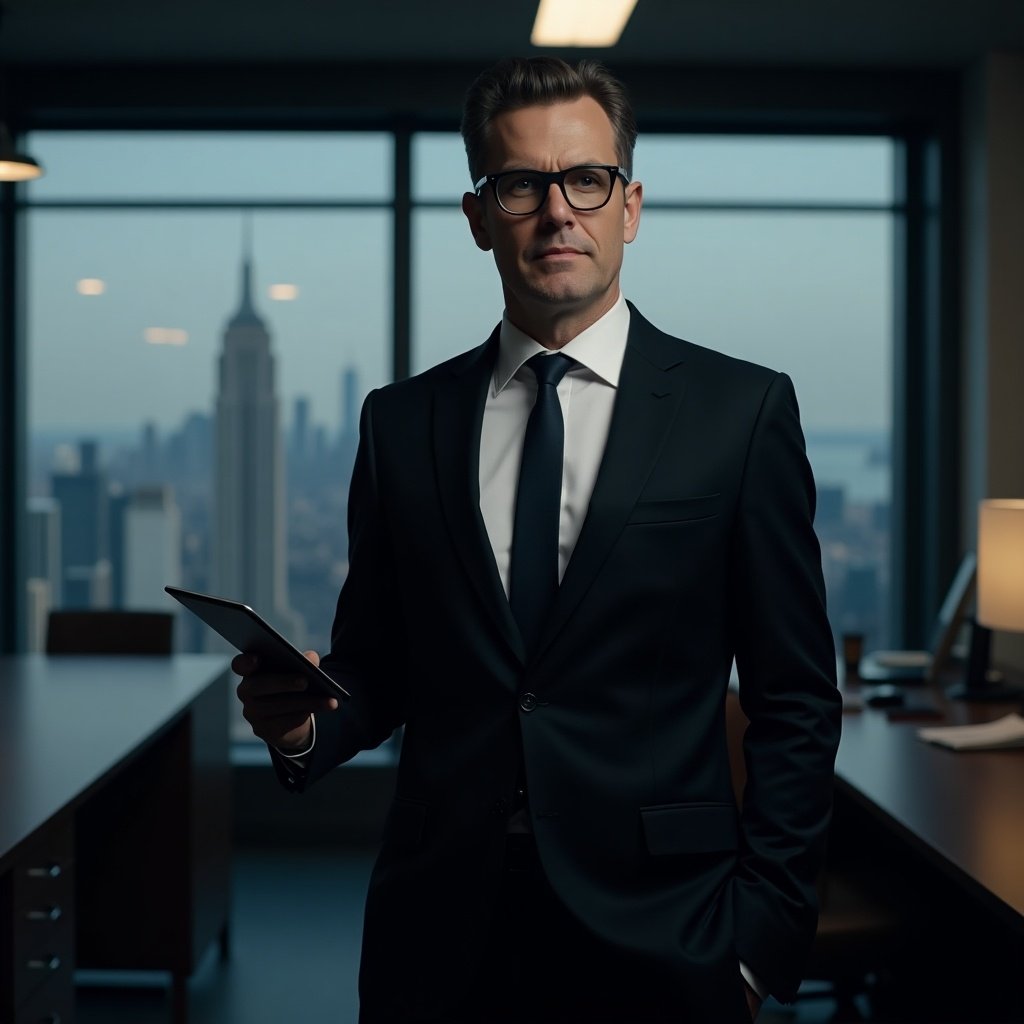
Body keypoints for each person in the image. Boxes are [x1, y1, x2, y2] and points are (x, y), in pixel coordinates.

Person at [235, 56, 842, 1024]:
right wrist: (305, 719)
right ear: (479, 217)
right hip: (438, 924)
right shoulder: (401, 422)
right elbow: (382, 664)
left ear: (629, 205)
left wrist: (759, 937)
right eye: (521, 184)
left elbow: (795, 696)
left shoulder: (740, 410)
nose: (558, 211)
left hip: (666, 922)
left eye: (585, 180)